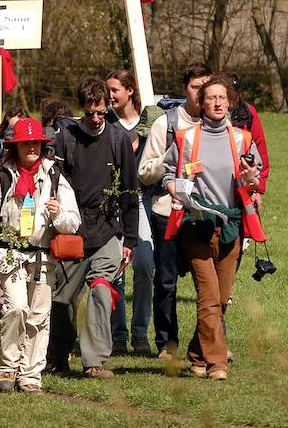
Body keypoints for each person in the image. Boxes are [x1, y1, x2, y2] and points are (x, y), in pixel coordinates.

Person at [161, 75, 261, 381]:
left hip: (231, 225)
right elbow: (166, 173)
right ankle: (218, 363)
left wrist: (251, 179)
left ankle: (196, 353)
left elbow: (255, 181)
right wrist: (172, 187)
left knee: (220, 298)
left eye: (222, 98)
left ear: (229, 101)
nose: (216, 103)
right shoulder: (186, 137)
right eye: (210, 98)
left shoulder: (243, 139)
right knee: (207, 294)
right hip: (195, 225)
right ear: (201, 103)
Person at [0, 117, 80, 393]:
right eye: (25, 143)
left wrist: (58, 214)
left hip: (43, 257)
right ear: (15, 146)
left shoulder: (54, 176)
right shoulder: (2, 178)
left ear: (42, 145)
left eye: (36, 142)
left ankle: (30, 375)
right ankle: (7, 366)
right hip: (8, 254)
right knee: (16, 308)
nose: (31, 147)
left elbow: (73, 222)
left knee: (39, 316)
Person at [47, 78, 139, 379]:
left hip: (107, 228)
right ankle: (57, 356)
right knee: (61, 299)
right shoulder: (65, 139)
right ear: (81, 110)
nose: (96, 118)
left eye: (101, 112)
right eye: (90, 113)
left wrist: (130, 239)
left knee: (101, 288)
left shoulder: (118, 139)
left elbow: (129, 191)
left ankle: (94, 361)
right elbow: (52, 185)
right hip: (72, 229)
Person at [137, 62, 212, 359]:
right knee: (166, 281)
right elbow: (143, 172)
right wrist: (169, 159)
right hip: (167, 212)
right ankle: (167, 344)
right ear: (186, 89)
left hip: (205, 214)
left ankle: (211, 342)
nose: (201, 94)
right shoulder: (165, 123)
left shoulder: (217, 126)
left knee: (208, 283)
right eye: (196, 87)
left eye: (206, 88)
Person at [106, 69, 153, 355]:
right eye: (108, 90)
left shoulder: (151, 123)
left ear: (130, 91)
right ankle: (119, 334)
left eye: (115, 90)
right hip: (114, 203)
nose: (110, 96)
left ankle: (140, 332)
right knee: (116, 271)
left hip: (142, 201)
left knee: (145, 265)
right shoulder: (105, 123)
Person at [226, 73, 270, 209]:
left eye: (232, 94)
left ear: (239, 93)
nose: (229, 100)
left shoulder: (249, 113)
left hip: (245, 179)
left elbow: (261, 150)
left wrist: (258, 189)